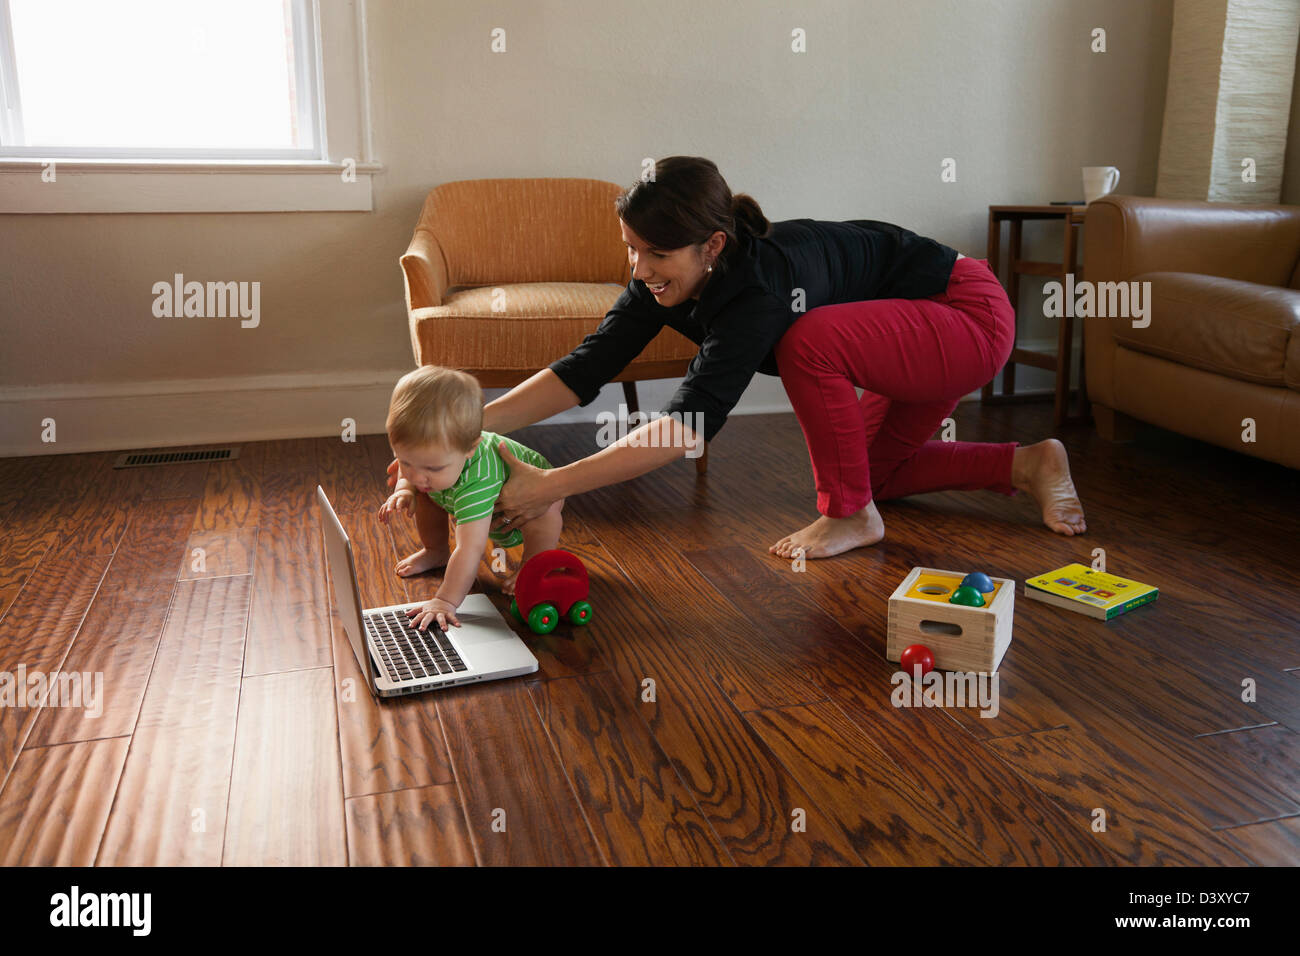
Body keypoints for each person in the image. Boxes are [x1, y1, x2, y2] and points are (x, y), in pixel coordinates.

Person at [388, 156, 1085, 558]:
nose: (639, 268)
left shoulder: (758, 289)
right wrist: (462, 432)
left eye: (656, 253)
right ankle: (1027, 464)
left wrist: (554, 483)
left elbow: (690, 425)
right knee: (879, 476)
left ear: (712, 247)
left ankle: (850, 516)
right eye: (631, 249)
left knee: (808, 341)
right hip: (909, 333)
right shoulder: (663, 282)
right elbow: (585, 368)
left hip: (966, 317)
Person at [378, 366, 562, 632]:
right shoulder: (430, 464)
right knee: (425, 493)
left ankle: (533, 566)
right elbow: (413, 473)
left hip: (530, 503)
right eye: (406, 462)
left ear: (470, 448)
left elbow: (470, 549)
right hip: (476, 501)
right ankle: (436, 551)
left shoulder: (478, 480)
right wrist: (404, 488)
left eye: (432, 468)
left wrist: (445, 601)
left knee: (545, 515)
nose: (417, 475)